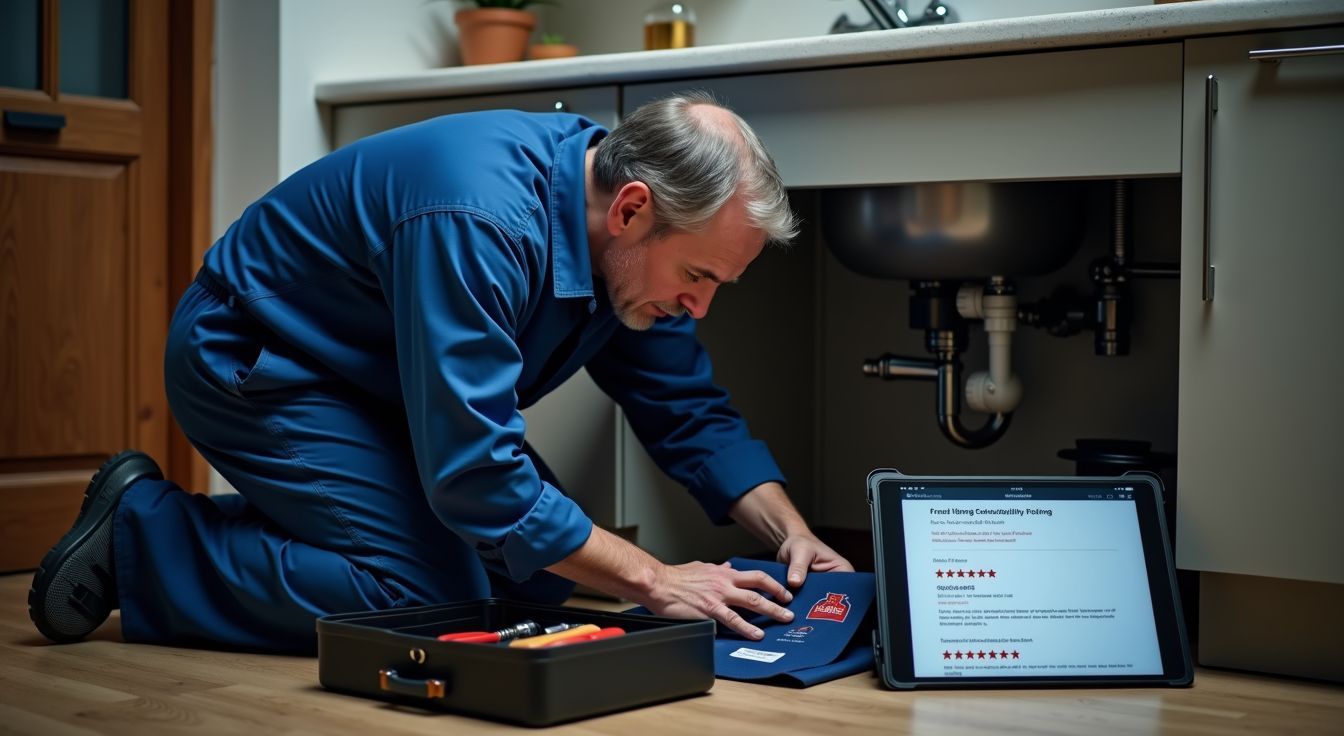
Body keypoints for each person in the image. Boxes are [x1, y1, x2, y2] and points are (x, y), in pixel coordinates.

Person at [29, 91, 853, 652]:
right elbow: (478, 480)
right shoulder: (481, 218)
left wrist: (794, 534)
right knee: (426, 594)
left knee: (533, 580)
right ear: (633, 207)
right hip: (259, 357)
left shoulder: (629, 253)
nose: (701, 306)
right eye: (699, 277)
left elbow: (685, 406)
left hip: (383, 383)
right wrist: (654, 578)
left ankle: (310, 522)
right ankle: (144, 531)